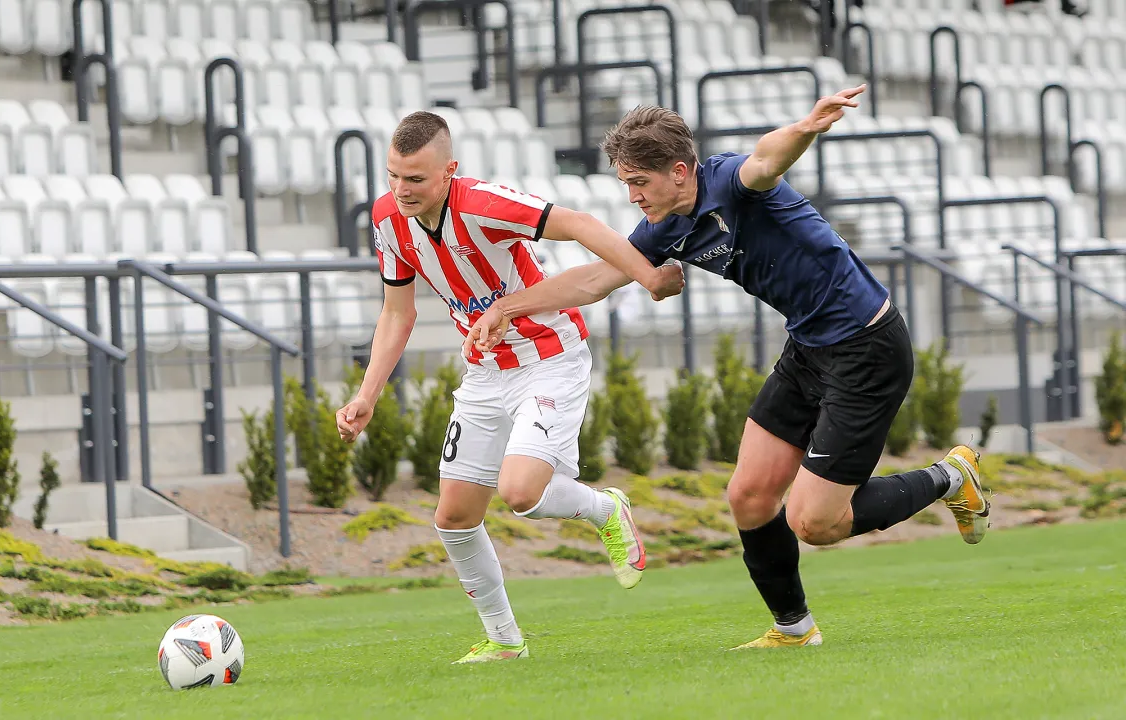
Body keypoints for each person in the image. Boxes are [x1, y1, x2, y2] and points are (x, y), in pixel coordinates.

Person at [465, 88, 992, 649]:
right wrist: (506, 307)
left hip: (867, 347)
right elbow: (597, 278)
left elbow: (766, 160)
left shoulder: (729, 182)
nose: (632, 196)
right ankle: (794, 629)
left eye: (638, 182)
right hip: (808, 348)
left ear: (678, 170)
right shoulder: (664, 226)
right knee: (748, 497)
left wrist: (806, 126)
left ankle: (951, 476)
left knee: (815, 523)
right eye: (624, 183)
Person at [334, 110, 685, 664]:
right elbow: (397, 313)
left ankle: (605, 510)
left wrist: (648, 275)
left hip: (550, 358)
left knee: (521, 493)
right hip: (485, 371)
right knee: (453, 515)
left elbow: (579, 224)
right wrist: (366, 394)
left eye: (416, 179)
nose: (402, 190)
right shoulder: (388, 219)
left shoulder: (481, 204)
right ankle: (504, 641)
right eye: (393, 176)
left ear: (449, 171)